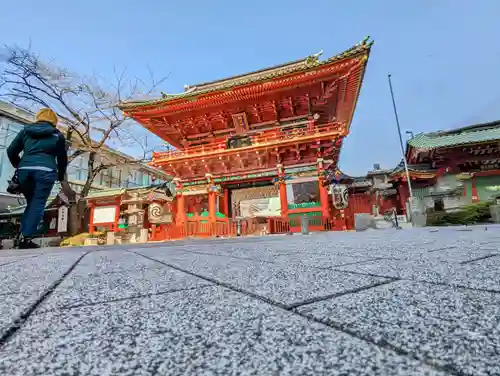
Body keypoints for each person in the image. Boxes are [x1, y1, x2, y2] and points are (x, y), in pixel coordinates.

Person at [7, 108, 69, 249]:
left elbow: (11, 150)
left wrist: (19, 165)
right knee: (38, 203)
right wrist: (60, 175)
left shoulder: (25, 131)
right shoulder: (57, 135)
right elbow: (62, 159)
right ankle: (26, 238)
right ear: (54, 121)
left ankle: (22, 235)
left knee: (31, 203)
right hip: (46, 171)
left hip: (25, 171)